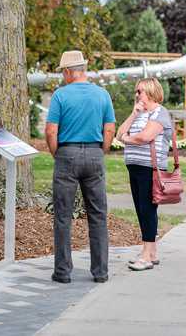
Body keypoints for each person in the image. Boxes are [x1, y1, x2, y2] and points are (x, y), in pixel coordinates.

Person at [46, 50, 116, 284]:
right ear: (83, 70)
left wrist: (58, 153)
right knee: (98, 215)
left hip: (67, 153)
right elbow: (109, 129)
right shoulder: (102, 94)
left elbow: (51, 130)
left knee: (63, 216)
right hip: (95, 153)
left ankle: (63, 272)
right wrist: (101, 150)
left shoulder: (60, 96)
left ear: (68, 72)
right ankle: (100, 272)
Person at [116, 78, 173, 272]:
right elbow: (118, 133)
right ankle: (152, 252)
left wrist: (126, 139)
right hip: (135, 167)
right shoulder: (140, 114)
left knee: (148, 210)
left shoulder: (160, 113)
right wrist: (133, 114)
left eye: (139, 91)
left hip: (151, 169)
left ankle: (146, 256)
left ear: (150, 91)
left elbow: (144, 137)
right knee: (141, 210)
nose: (137, 95)